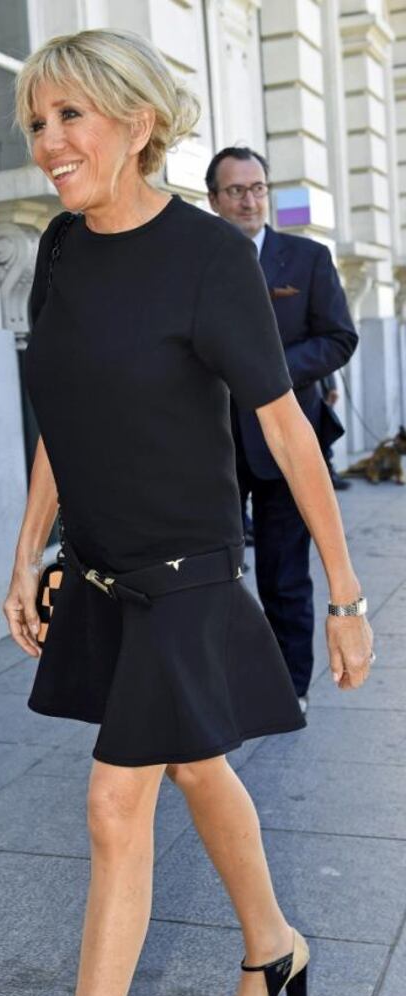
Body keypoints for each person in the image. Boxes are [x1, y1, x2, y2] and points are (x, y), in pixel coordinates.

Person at [3, 31, 373, 996]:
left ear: (135, 119)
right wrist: (26, 555)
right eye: (36, 123)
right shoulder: (59, 249)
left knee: (117, 806)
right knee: (199, 767)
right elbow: (60, 415)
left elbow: (279, 427)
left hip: (189, 570)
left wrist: (346, 593)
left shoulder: (210, 255)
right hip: (103, 569)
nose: (49, 144)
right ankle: (272, 949)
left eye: (70, 117)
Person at [207, 147, 358, 711]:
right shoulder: (199, 261)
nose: (249, 199)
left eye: (257, 188)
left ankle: (290, 688)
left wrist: (271, 376)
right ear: (214, 200)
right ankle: (226, 680)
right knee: (214, 576)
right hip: (211, 446)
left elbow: (339, 337)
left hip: (288, 443)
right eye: (236, 190)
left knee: (285, 573)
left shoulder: (307, 258)